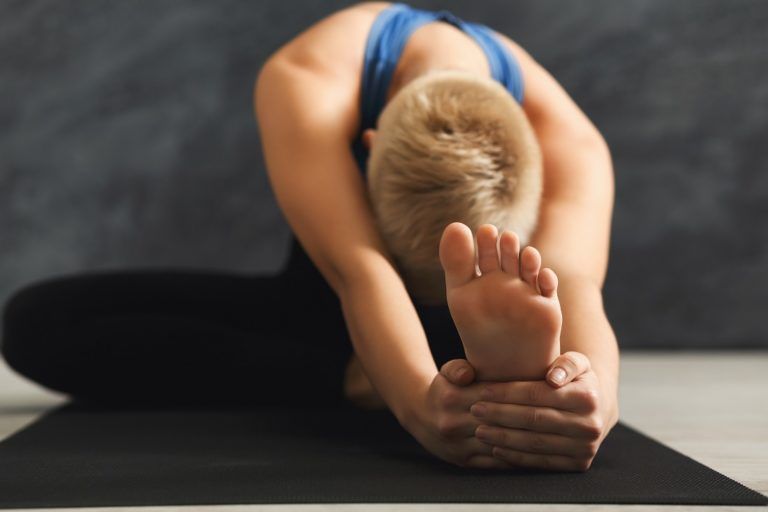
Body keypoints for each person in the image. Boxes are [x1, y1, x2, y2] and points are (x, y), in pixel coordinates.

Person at [1, 2, 618, 471]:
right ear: (367, 148)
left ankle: (467, 361)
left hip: (451, 317)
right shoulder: (306, 78)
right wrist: (421, 409)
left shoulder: (572, 141)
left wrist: (593, 403)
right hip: (335, 301)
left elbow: (578, 287)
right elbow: (361, 272)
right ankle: (370, 377)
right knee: (35, 323)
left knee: (537, 294)